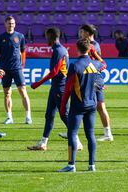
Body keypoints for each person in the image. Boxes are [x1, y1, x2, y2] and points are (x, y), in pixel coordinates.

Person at [27, 27, 82, 151]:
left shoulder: (58, 50)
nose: (46, 39)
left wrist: (38, 83)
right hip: (56, 87)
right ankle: (43, 143)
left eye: (47, 36)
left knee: (64, 115)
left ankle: (77, 141)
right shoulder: (61, 49)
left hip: (60, 88)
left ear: (51, 36)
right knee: (49, 115)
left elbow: (55, 72)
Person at [58, 39, 104, 172]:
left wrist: (62, 106)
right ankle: (92, 165)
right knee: (90, 134)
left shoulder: (74, 65)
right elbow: (104, 64)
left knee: (72, 133)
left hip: (78, 105)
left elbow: (67, 89)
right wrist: (95, 54)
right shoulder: (95, 64)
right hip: (92, 104)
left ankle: (71, 165)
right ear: (89, 49)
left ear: (76, 49)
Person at [0, 15, 32, 124]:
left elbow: (23, 51)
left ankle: (28, 116)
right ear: (5, 24)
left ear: (15, 24)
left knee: (23, 91)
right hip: (4, 69)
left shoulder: (20, 36)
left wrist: (22, 65)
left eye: (12, 23)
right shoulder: (0, 38)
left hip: (17, 68)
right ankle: (9, 117)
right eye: (9, 23)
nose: (11, 25)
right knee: (7, 93)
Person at [78, 24, 113, 141]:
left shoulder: (93, 46)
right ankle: (107, 134)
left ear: (87, 33)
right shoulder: (92, 45)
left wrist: (95, 79)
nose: (80, 34)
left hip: (93, 80)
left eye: (82, 32)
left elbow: (100, 63)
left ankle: (108, 133)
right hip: (92, 79)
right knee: (92, 106)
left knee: (96, 106)